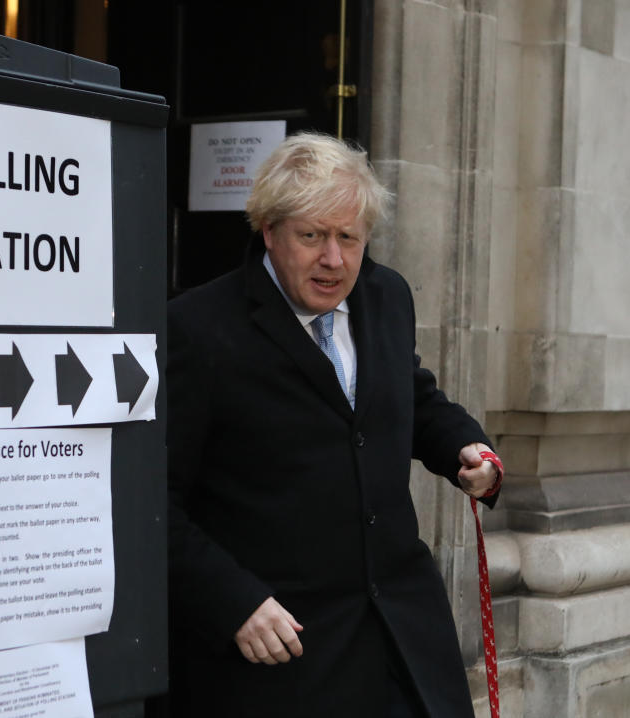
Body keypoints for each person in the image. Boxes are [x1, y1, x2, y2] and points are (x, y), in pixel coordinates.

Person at [165, 132, 501, 717]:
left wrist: (465, 449)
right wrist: (231, 601)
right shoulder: (196, 328)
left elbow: (412, 399)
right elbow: (151, 501)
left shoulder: (386, 295)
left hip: (404, 640)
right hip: (283, 657)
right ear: (269, 232)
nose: (334, 259)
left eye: (349, 237)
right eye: (312, 236)